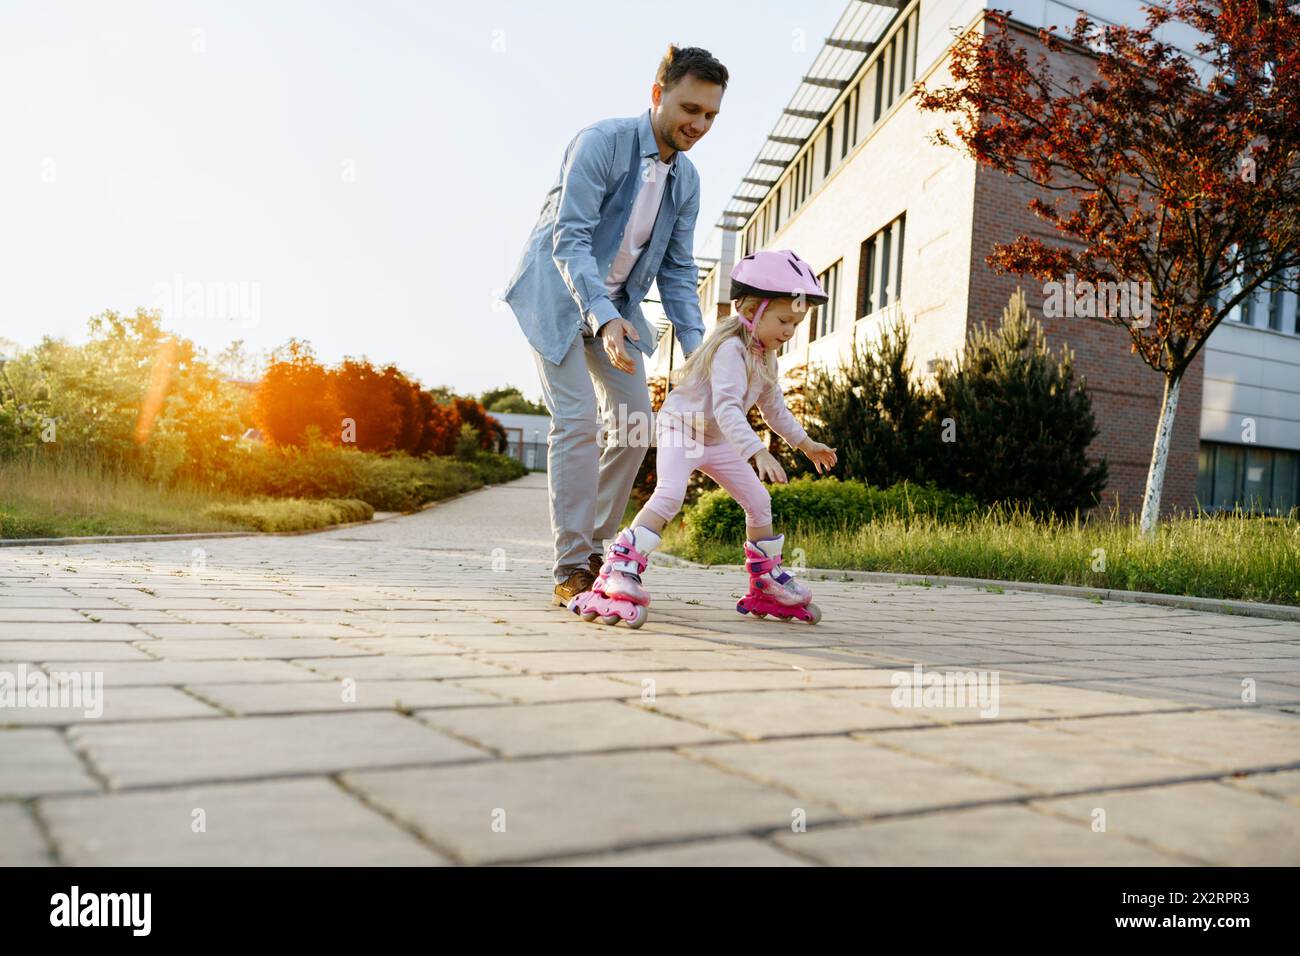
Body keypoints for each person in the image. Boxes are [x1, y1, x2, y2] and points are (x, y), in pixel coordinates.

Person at [502, 45, 728, 608]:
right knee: (577, 420)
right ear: (658, 94)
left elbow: (678, 272)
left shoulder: (688, 181)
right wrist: (600, 316)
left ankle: (599, 550)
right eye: (690, 108)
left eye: (710, 116)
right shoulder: (600, 143)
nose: (698, 125)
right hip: (556, 297)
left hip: (619, 313)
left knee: (633, 424)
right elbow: (569, 239)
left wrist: (701, 354)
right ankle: (570, 565)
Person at [568, 249, 839, 627]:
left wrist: (806, 443)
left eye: (796, 322)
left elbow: (773, 408)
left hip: (715, 440)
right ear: (751, 312)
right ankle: (619, 567)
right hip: (682, 430)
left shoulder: (765, 357)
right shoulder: (730, 350)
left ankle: (764, 581)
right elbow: (728, 408)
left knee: (759, 502)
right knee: (670, 495)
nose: (790, 330)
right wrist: (757, 452)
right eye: (783, 320)